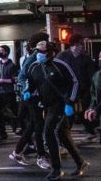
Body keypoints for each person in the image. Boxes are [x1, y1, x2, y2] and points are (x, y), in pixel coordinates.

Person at [25, 41, 87, 180]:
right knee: (62, 134)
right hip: (46, 105)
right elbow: (31, 82)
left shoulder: (60, 65)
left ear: (50, 52)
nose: (38, 54)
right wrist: (28, 91)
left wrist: (70, 102)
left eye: (42, 51)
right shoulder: (34, 67)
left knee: (49, 132)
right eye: (37, 51)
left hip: (60, 104)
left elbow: (75, 82)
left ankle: (56, 169)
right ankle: (80, 163)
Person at [10, 32, 51, 169]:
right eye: (45, 41)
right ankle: (41, 156)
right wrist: (28, 89)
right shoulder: (33, 57)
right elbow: (21, 76)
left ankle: (17, 152)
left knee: (33, 125)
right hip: (31, 97)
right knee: (38, 125)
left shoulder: (44, 55)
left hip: (37, 96)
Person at [0, 45, 18, 142]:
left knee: (15, 111)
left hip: (9, 92)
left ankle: (16, 124)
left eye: (2, 50)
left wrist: (2, 80)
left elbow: (14, 79)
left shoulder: (12, 65)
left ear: (6, 52)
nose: (0, 52)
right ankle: (2, 132)